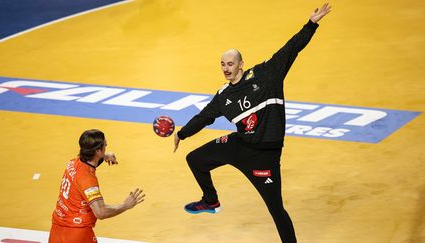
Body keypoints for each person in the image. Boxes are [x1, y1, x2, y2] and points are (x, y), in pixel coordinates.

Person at [173, 3, 331, 242]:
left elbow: (291, 49)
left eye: (230, 63)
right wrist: (182, 134)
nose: (226, 68)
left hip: (265, 156)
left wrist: (311, 24)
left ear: (241, 64)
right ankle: (210, 201)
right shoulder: (223, 95)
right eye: (223, 64)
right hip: (239, 144)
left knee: (276, 209)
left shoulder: (267, 75)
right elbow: (204, 117)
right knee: (194, 159)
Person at [49, 129, 145, 243]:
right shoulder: (87, 180)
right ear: (97, 151)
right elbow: (101, 212)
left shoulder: (73, 162)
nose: (107, 146)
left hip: (57, 230)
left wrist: (104, 156)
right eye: (105, 145)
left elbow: (87, 163)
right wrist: (125, 205)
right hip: (77, 235)